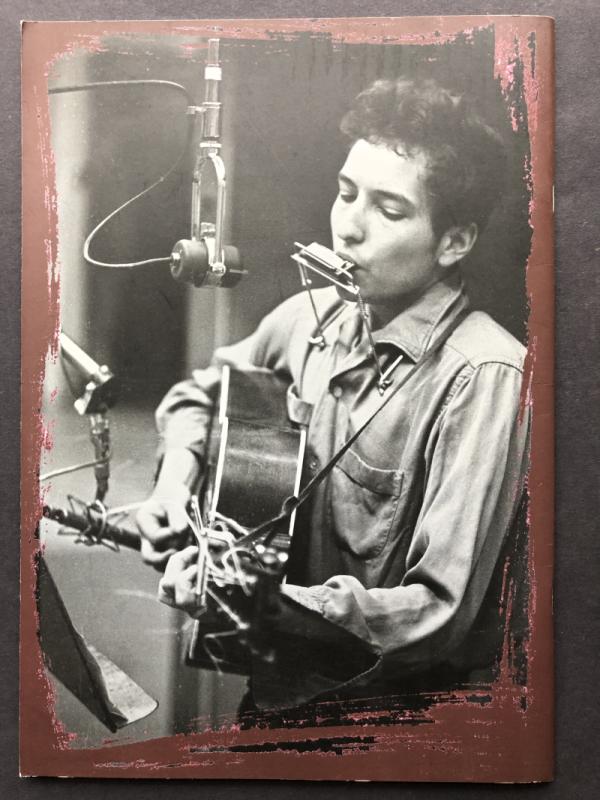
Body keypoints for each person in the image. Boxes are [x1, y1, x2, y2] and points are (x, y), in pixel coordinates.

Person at [136, 77, 530, 708]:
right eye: (346, 194)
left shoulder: (486, 375)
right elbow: (202, 396)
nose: (348, 227)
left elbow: (437, 613)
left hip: (389, 727)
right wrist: (174, 486)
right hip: (271, 698)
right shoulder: (310, 316)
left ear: (454, 241)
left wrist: (254, 599)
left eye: (389, 211)